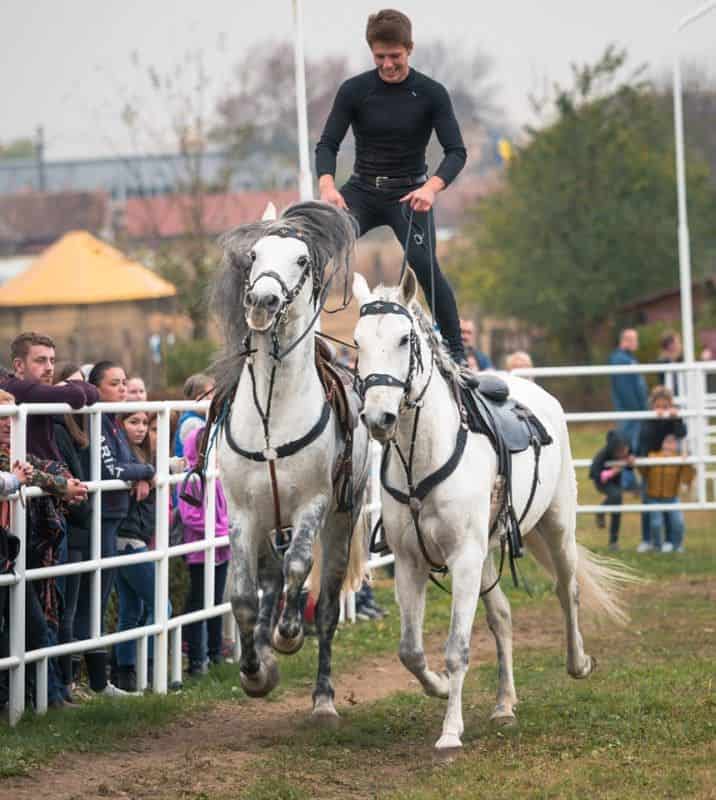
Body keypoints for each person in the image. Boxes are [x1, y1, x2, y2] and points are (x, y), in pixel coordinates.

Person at [316, 9, 468, 364]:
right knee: (315, 250)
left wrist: (431, 188)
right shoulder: (355, 90)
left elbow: (456, 151)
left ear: (409, 49)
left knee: (424, 264)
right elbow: (327, 144)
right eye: (380, 57)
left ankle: (457, 354)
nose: (387, 64)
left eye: (395, 57)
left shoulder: (431, 93)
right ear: (372, 53)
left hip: (410, 196)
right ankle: (299, 341)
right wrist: (327, 186)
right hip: (362, 193)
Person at [0, 388, 86, 710]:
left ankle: (45, 697)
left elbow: (42, 466)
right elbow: (26, 473)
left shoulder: (18, 452)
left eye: (12, 416)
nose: (9, 423)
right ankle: (40, 698)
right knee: (31, 625)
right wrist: (62, 486)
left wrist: (67, 483)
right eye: (3, 417)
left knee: (35, 625)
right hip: (8, 553)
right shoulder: (9, 457)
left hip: (11, 554)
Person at [73, 361, 154, 697]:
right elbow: (114, 469)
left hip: (113, 519)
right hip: (101, 520)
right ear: (96, 387)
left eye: (124, 383)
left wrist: (138, 472)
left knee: (101, 601)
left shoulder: (112, 422)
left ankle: (96, 681)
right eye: (115, 383)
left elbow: (125, 466)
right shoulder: (98, 423)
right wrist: (147, 470)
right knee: (90, 601)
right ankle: (76, 682)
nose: (123, 389)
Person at [115, 411, 174, 690]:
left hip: (134, 539)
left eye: (146, 425)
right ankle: (150, 670)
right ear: (120, 424)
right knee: (163, 606)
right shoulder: (123, 457)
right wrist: (145, 474)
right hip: (127, 541)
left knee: (130, 609)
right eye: (133, 423)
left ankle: (125, 674)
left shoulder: (148, 459)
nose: (141, 430)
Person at [53, 363, 94, 701]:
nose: (77, 393)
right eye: (70, 386)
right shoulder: (59, 428)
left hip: (81, 524)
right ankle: (62, 684)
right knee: (65, 610)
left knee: (79, 609)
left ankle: (70, 682)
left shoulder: (85, 429)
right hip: (72, 525)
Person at [178, 426, 231, 675]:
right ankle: (197, 659)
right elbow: (191, 517)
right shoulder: (192, 478)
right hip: (201, 552)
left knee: (216, 601)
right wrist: (222, 531)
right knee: (199, 602)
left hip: (220, 550)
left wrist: (224, 532)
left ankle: (215, 653)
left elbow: (226, 508)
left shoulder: (218, 476)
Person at [635, 385, 688, 553]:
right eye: (658, 406)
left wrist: (676, 418)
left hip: (668, 466)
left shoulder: (672, 419)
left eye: (665, 407)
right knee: (649, 503)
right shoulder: (648, 419)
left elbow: (681, 433)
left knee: (668, 503)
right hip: (651, 466)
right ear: (652, 406)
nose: (661, 410)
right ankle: (647, 539)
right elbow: (645, 439)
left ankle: (670, 541)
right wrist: (655, 419)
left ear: (670, 406)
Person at [640, 434, 694, 553]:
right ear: (662, 443)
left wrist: (687, 462)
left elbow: (687, 478)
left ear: (676, 445)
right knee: (656, 523)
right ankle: (658, 547)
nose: (669, 446)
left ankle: (677, 546)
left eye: (672, 443)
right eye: (667, 442)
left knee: (678, 522)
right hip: (653, 497)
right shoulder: (653, 456)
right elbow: (643, 472)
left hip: (671, 497)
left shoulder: (678, 459)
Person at [589, 430, 637, 551]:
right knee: (616, 495)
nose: (623, 453)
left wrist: (630, 462)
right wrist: (612, 472)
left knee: (617, 506)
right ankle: (601, 511)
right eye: (620, 452)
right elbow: (594, 474)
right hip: (602, 483)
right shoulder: (602, 455)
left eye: (625, 450)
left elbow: (630, 468)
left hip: (616, 482)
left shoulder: (628, 450)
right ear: (613, 450)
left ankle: (613, 542)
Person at [608, 328, 648, 454]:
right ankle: (626, 471)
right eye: (635, 340)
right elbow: (625, 390)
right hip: (630, 411)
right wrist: (637, 409)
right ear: (626, 341)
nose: (637, 343)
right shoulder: (620, 360)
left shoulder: (628, 358)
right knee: (628, 444)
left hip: (635, 411)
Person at [174, 373, 214, 459]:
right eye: (206, 394)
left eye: (212, 393)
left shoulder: (205, 418)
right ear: (193, 397)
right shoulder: (192, 422)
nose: (211, 398)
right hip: (189, 470)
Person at [656, 330, 683, 397]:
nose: (680, 345)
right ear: (670, 346)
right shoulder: (662, 363)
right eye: (678, 342)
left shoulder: (681, 360)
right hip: (669, 399)